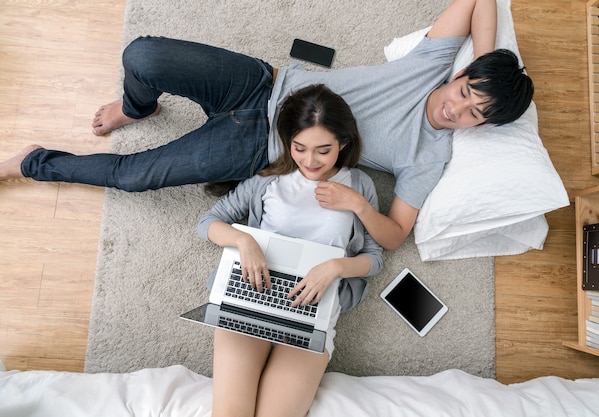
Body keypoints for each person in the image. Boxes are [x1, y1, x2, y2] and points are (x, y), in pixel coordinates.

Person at [0, 0, 533, 250]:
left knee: (134, 176)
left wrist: (358, 205)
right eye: (464, 95)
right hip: (259, 83)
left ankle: (30, 162)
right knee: (142, 55)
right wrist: (486, 68)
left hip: (260, 142)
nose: (456, 112)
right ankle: (138, 108)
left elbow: (393, 237)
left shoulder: (431, 156)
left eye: (475, 116)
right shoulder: (432, 64)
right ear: (459, 73)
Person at [197, 83, 383, 417]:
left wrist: (338, 267)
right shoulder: (269, 180)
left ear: (343, 143)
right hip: (252, 298)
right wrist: (244, 240)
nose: (310, 161)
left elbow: (375, 258)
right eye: (299, 147)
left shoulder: (358, 186)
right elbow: (209, 222)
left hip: (312, 312)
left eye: (323, 151)